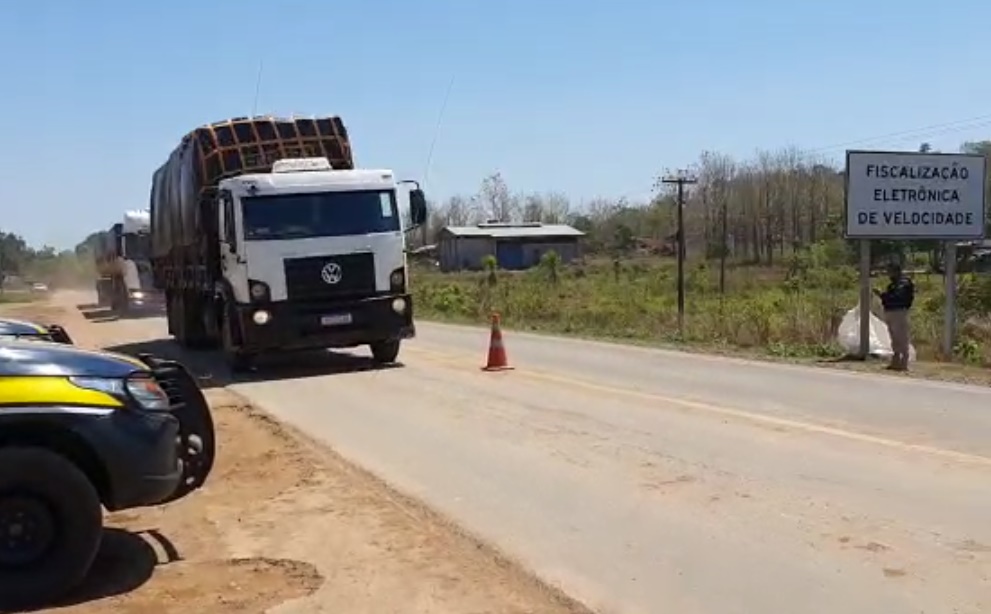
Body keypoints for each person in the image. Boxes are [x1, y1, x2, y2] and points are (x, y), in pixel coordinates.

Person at [875, 262, 915, 371]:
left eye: (890, 271)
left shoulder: (903, 283)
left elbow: (897, 296)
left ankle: (904, 362)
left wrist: (883, 295)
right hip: (891, 311)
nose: (889, 274)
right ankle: (896, 361)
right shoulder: (892, 284)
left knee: (901, 336)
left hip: (899, 312)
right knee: (894, 338)